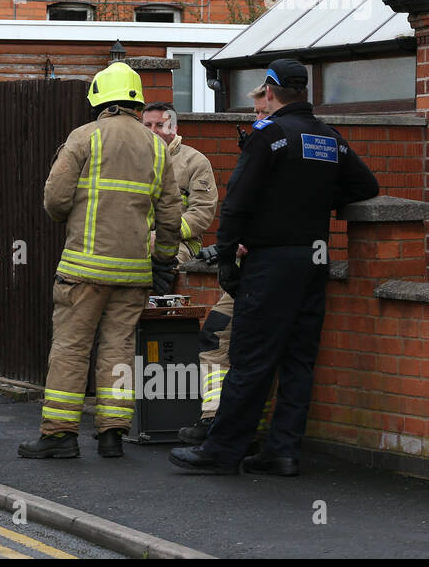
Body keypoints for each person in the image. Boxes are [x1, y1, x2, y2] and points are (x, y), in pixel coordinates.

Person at [170, 59, 378, 476]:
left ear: (271, 90)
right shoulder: (328, 137)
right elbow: (366, 187)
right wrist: (319, 200)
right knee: (299, 360)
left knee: (251, 357)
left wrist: (226, 257)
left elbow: (237, 202)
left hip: (271, 262)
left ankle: (222, 451)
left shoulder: (270, 136)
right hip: (315, 259)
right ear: (304, 90)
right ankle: (282, 452)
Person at [19, 62, 183, 460]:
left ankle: (59, 435)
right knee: (118, 349)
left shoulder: (84, 137)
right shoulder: (157, 147)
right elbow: (171, 215)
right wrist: (162, 261)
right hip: (133, 272)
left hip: (84, 270)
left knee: (72, 349)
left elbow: (55, 199)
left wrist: (69, 218)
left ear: (98, 96)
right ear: (136, 100)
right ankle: (112, 434)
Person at [178, 84, 275, 445]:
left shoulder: (277, 150)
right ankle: (216, 420)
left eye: (263, 113)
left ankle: (234, 430)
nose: (257, 121)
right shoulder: (264, 148)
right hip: (252, 268)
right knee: (218, 335)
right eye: (255, 115)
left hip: (265, 270)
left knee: (247, 346)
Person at [142, 102, 216, 295]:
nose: (153, 131)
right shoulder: (132, 160)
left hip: (180, 244)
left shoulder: (195, 162)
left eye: (159, 125)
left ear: (174, 128)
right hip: (138, 240)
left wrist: (164, 233)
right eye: (147, 126)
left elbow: (202, 213)